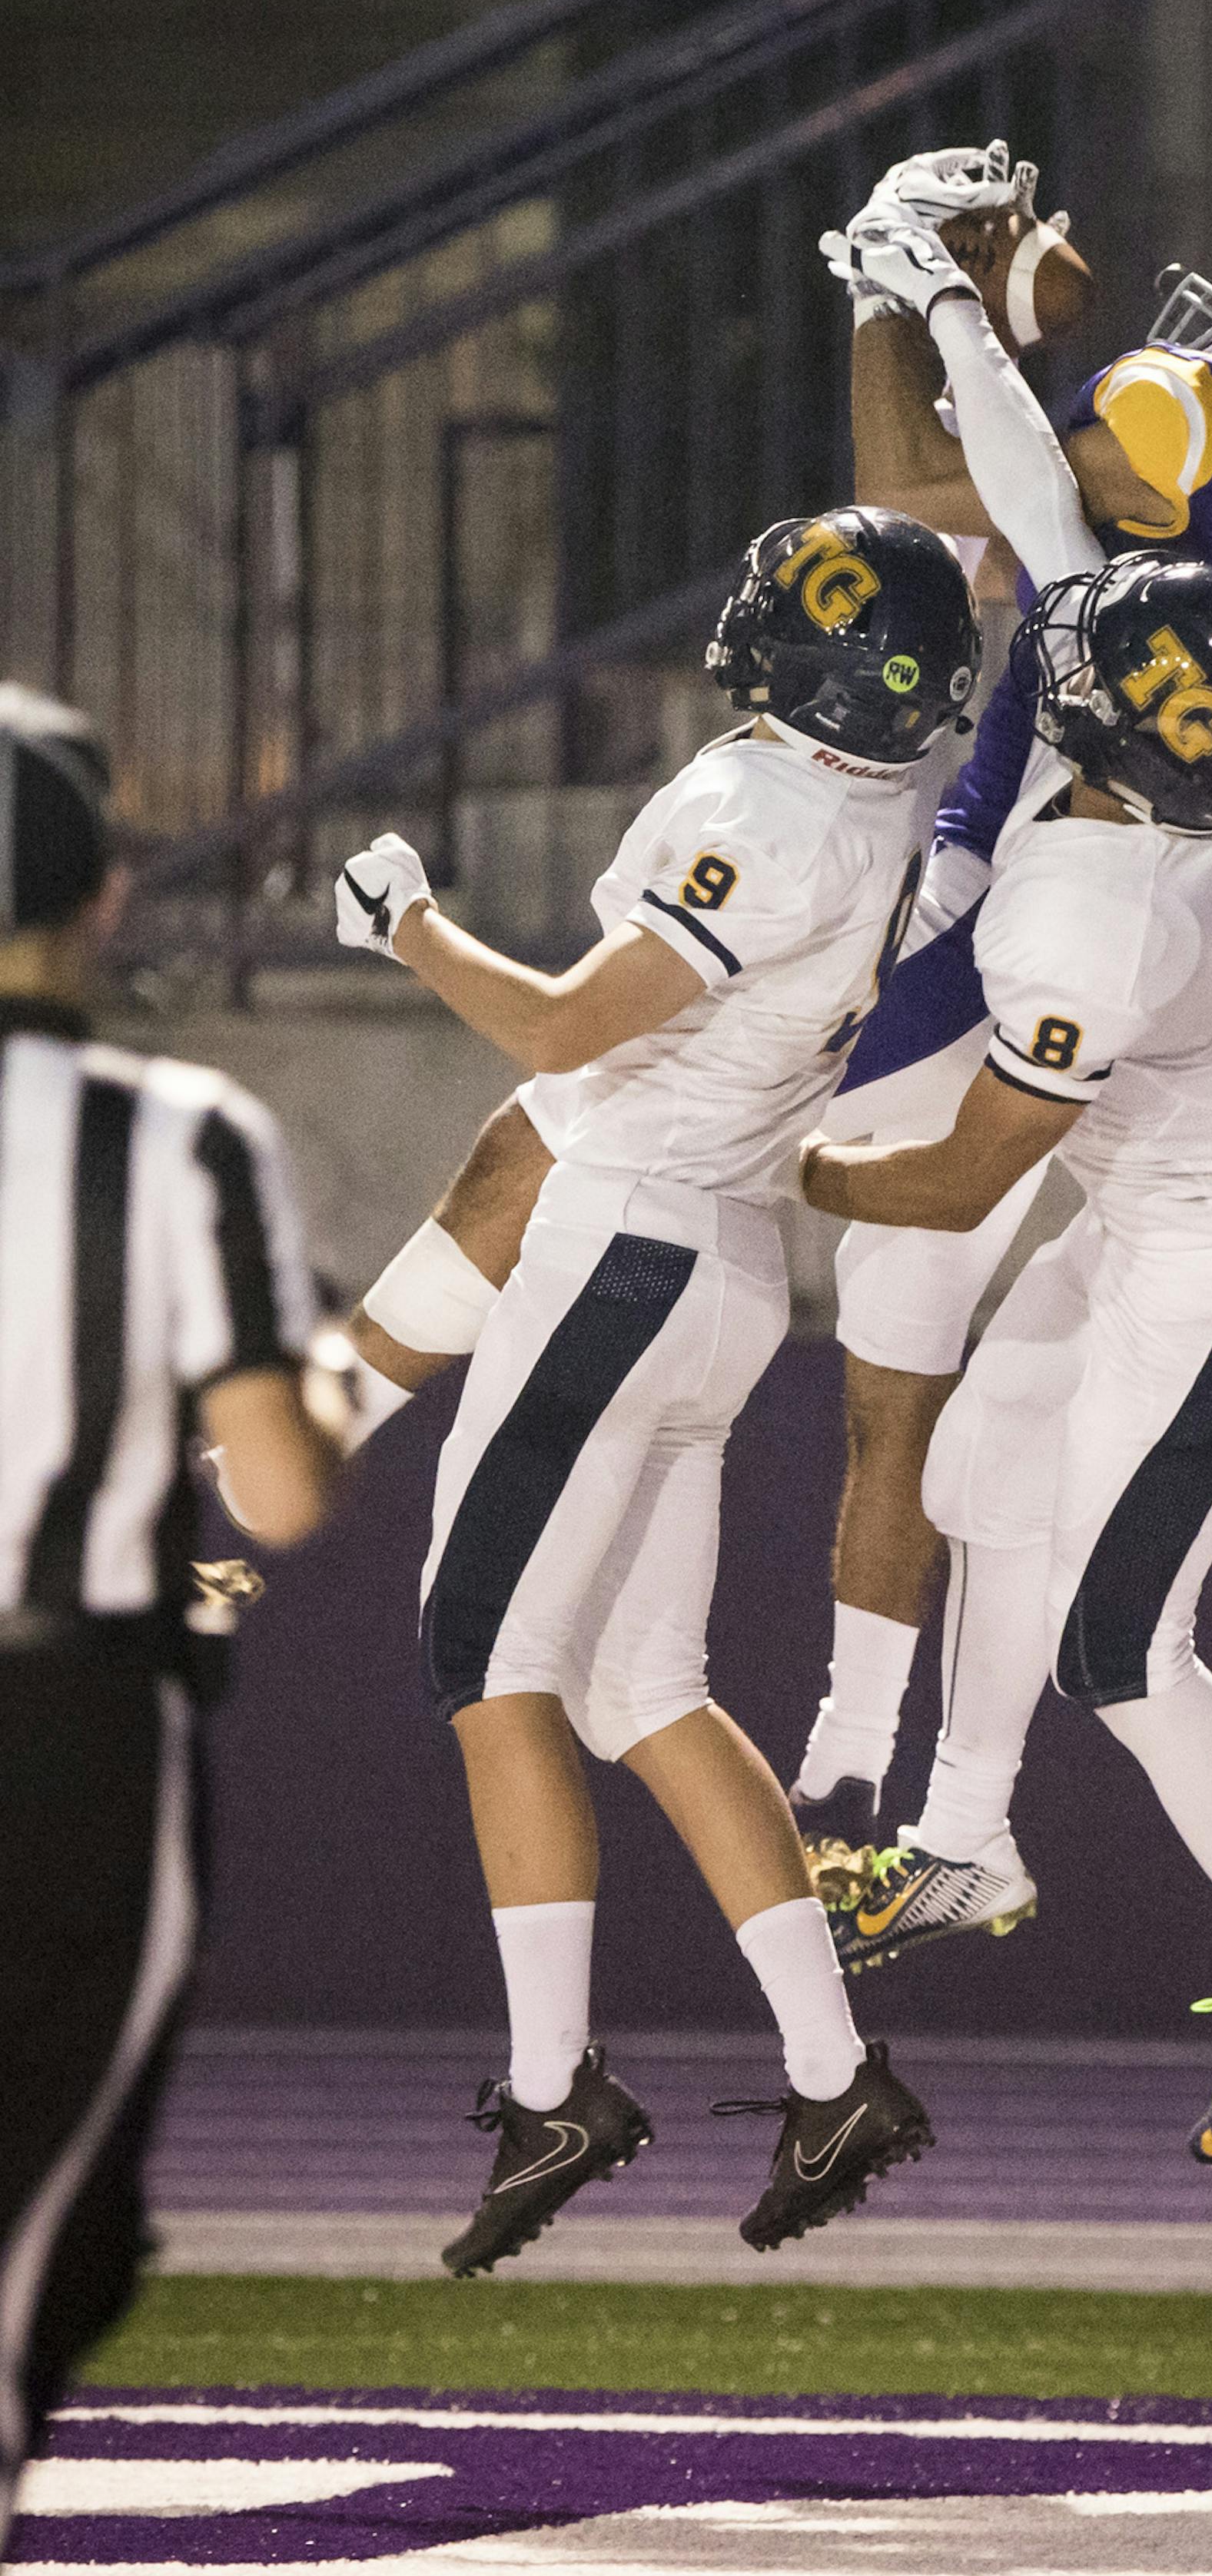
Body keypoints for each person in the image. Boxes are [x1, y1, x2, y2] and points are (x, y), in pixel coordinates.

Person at [797, 217, 1212, 2160]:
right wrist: (937, 311)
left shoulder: (1084, 915)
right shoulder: (1199, 729)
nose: (1055, 636)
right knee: (989, 1461)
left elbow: (950, 1182)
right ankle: (956, 1837)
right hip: (1178, 1197)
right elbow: (1056, 541)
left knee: (1124, 1646)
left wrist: (774, 1153)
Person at [333, 509, 980, 2261]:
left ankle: (556, 2089)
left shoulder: (763, 809)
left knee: (488, 1661)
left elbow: (559, 1031)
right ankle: (838, 2071)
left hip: (623, 1249)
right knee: (644, 1689)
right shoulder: (904, 801)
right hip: (729, 1256)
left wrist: (408, 923)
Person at [0, 688, 343, 2557]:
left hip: (84, 1708)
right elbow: (276, 1491)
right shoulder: (179, 1136)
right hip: (71, 1731)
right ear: (107, 897)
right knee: (59, 2219)